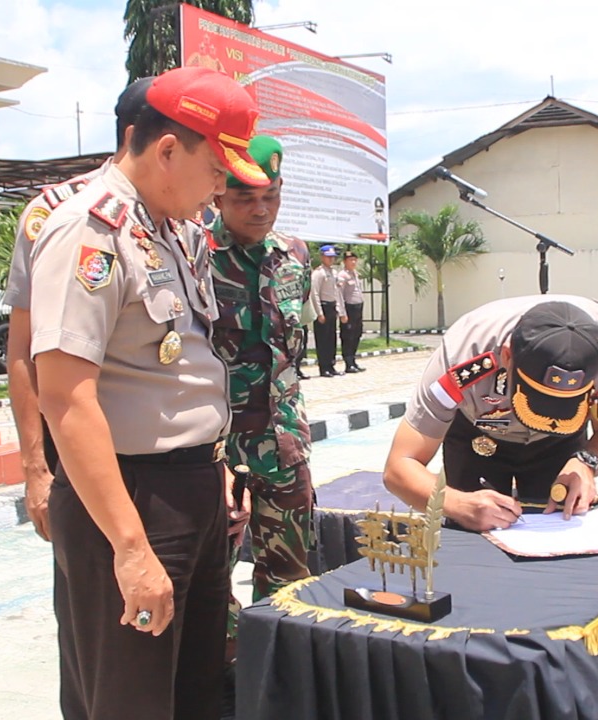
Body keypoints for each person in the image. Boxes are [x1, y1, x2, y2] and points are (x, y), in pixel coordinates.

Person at [29, 66, 268, 720]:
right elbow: (66, 399)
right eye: (217, 170)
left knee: (195, 695)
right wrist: (132, 550)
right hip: (127, 502)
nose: (222, 187)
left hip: (190, 493)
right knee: (130, 702)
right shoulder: (89, 231)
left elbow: (181, 371)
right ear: (167, 150)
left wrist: (210, 468)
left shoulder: (174, 233)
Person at [4, 76, 152, 542]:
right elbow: (23, 351)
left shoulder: (182, 221)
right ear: (137, 137)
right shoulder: (60, 213)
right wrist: (35, 469)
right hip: (88, 457)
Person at [383, 295, 598, 531]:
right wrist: (457, 503)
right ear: (507, 356)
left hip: (562, 444)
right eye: (538, 399)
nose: (549, 417)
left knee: (558, 533)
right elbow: (399, 466)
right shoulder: (461, 358)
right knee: (472, 536)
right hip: (477, 439)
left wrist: (587, 462)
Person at [207, 133, 314, 655]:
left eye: (269, 195)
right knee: (210, 579)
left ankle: (278, 677)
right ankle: (226, 678)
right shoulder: (194, 253)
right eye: (244, 198)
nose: (259, 208)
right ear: (218, 196)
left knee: (291, 576)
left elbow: (292, 353)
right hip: (214, 449)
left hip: (282, 444)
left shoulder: (294, 254)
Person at [309, 244, 346, 377]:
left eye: (333, 257)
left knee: (332, 338)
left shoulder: (333, 273)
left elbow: (337, 293)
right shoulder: (318, 273)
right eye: (328, 257)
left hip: (332, 307)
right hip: (323, 307)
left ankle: (331, 365)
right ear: (322, 257)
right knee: (323, 339)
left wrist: (340, 311)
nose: (331, 260)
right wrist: (319, 312)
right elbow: (315, 293)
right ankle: (323, 367)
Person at [338, 250, 366, 373]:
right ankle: (348, 363)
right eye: (350, 260)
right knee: (348, 336)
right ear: (345, 262)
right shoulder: (342, 276)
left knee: (356, 334)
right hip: (349, 308)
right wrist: (342, 313)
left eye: (355, 259)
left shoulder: (355, 274)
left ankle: (353, 360)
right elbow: (339, 295)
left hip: (358, 308)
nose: (353, 262)